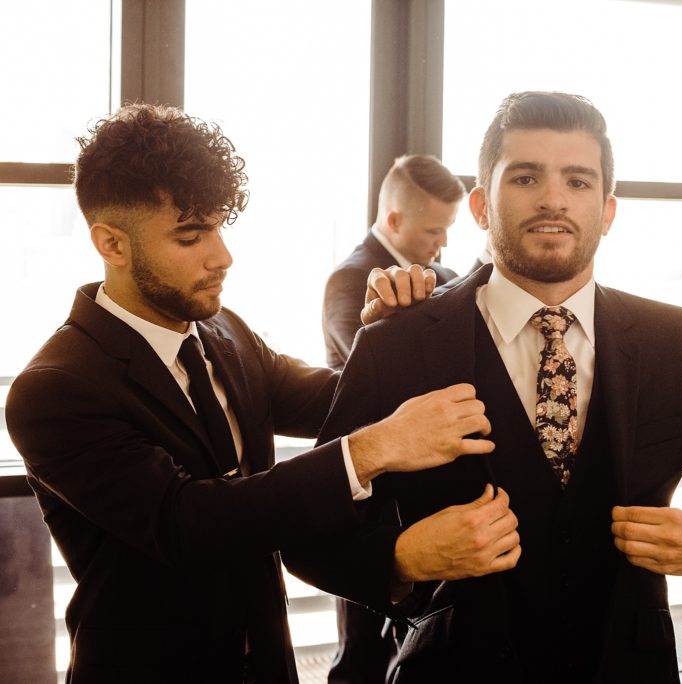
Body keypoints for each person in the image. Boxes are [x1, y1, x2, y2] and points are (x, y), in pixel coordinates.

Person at [315, 91, 682, 683]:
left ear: (608, 212)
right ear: (482, 206)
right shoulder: (398, 342)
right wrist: (403, 557)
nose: (554, 200)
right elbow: (313, 528)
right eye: (526, 177)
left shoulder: (674, 342)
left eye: (579, 182)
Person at [4, 104, 520, 683]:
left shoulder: (228, 334)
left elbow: (331, 400)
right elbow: (187, 523)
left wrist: (386, 339)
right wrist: (372, 450)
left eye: (219, 228)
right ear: (111, 244)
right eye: (189, 236)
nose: (222, 256)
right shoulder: (53, 391)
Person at [323, 154, 464, 370]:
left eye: (447, 228)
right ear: (394, 221)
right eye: (433, 231)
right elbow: (369, 372)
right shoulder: (348, 280)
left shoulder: (448, 278)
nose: (444, 242)